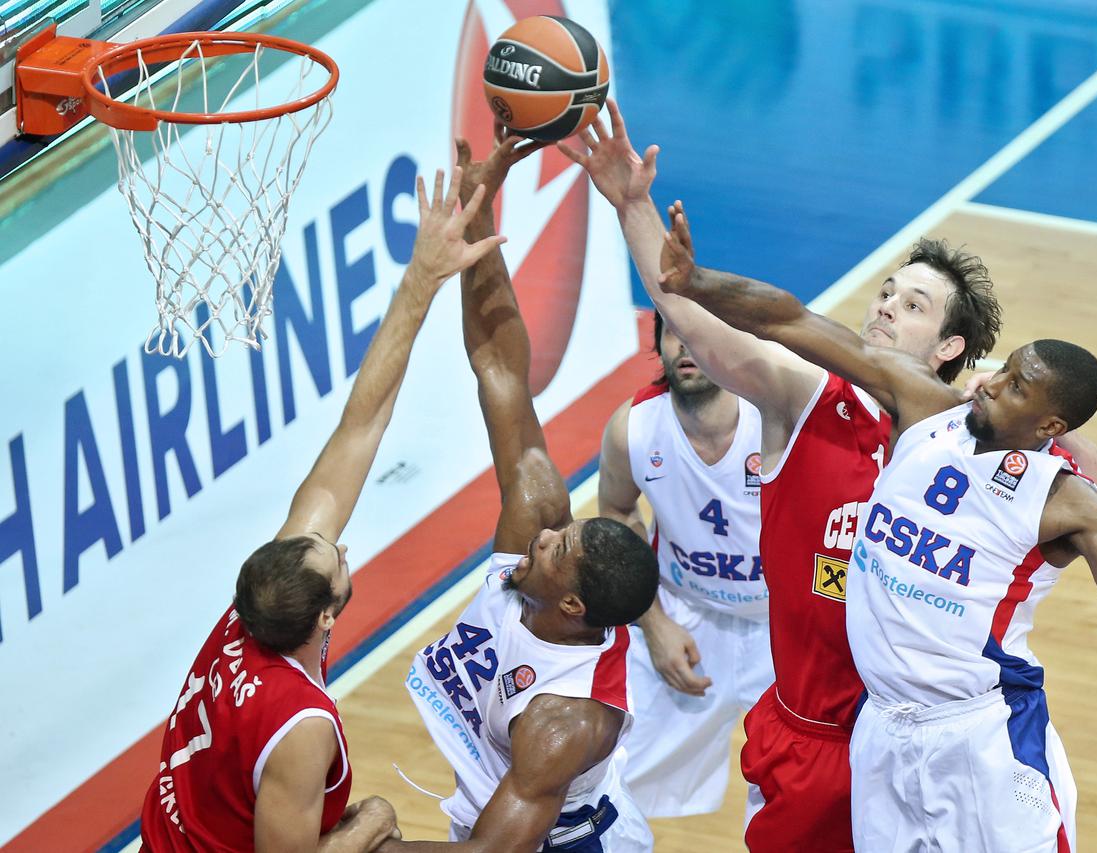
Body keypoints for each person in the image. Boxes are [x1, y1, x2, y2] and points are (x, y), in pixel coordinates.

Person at [559, 99, 1097, 851]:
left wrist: (1011, 410)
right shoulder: (805, 394)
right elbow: (705, 326)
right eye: (888, 290)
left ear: (951, 347)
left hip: (933, 745)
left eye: (915, 304)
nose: (888, 305)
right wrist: (633, 208)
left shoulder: (990, 455)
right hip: (812, 738)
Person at [654, 209, 1097, 852]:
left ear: (1050, 428)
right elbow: (792, 321)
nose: (989, 384)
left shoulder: (1066, 505)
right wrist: (695, 282)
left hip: (981, 742)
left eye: (1015, 388)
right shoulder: (924, 407)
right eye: (1003, 369)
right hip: (880, 730)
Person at [139, 167, 507, 851]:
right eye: (335, 559)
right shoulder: (301, 722)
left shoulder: (259, 610)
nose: (339, 545)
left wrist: (420, 282)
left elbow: (360, 425)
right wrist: (372, 820)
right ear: (328, 615)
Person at [389, 130, 658, 852]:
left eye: (555, 551)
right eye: (560, 533)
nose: (540, 537)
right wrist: (479, 220)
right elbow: (501, 371)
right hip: (497, 810)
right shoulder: (538, 532)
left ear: (571, 604)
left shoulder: (565, 719)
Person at [597, 309, 773, 818]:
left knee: (798, 792)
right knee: (611, 782)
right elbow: (615, 511)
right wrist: (652, 624)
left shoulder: (775, 415)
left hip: (783, 628)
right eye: (673, 332)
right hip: (684, 620)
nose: (685, 344)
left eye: (700, 332)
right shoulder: (633, 428)